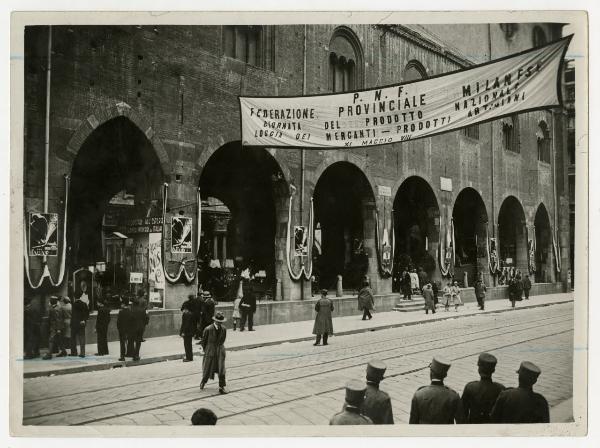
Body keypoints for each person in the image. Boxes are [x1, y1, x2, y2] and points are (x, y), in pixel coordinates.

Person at [409, 357, 464, 424]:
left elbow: (412, 424)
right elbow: (461, 423)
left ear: (431, 373)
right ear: (445, 375)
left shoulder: (419, 394)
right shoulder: (453, 396)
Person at [461, 353, 505, 423]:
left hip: (473, 427)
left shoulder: (470, 387)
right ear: (493, 370)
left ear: (479, 369)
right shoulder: (501, 389)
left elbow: (462, 413)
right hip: (492, 428)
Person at [200, 311, 228, 394]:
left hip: (220, 351)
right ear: (215, 321)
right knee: (207, 368)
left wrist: (221, 348)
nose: (219, 323)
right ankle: (203, 381)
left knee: (221, 369)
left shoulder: (223, 329)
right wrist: (207, 350)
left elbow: (223, 339)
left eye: (221, 322)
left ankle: (221, 387)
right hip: (210, 351)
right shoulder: (208, 329)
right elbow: (203, 342)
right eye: (218, 322)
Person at [361, 360, 394, 424]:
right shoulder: (384, 398)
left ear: (366, 374)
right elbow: (389, 424)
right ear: (381, 378)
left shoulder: (356, 392)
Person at [70, 291, 90, 357]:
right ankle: (82, 353)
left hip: (74, 324)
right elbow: (87, 314)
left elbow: (73, 315)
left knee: (73, 338)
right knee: (82, 338)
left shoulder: (73, 304)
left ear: (74, 297)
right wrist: (84, 320)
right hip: (81, 324)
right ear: (80, 296)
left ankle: (74, 352)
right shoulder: (84, 304)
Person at [129, 296, 147, 361]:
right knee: (138, 342)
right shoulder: (142, 310)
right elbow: (146, 318)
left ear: (133, 304)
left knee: (132, 341)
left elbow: (129, 320)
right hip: (140, 328)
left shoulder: (131, 311)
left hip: (133, 328)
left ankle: (133, 355)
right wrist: (143, 324)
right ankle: (137, 355)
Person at [116, 297, 131, 362]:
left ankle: (122, 356)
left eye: (121, 304)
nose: (121, 305)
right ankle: (128, 353)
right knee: (128, 341)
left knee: (122, 343)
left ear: (124, 304)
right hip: (128, 329)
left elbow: (118, 322)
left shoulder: (121, 312)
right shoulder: (130, 311)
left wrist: (119, 328)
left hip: (122, 330)